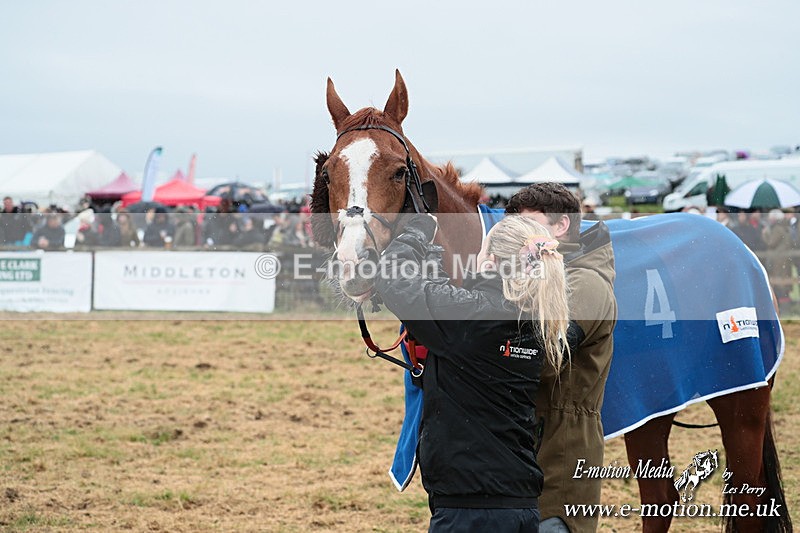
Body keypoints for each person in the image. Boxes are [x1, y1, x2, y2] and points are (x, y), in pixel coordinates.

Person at [374, 213, 575, 532]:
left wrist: (415, 233)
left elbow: (395, 281)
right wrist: (433, 267)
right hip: (519, 503)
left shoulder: (475, 316)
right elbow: (448, 304)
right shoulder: (538, 320)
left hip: (469, 510)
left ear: (491, 260)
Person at [505, 182, 617, 533]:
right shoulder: (534, 275)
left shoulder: (586, 285)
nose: (521, 237)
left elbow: (543, 360)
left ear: (561, 225)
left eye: (530, 226)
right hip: (523, 455)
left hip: (561, 456)